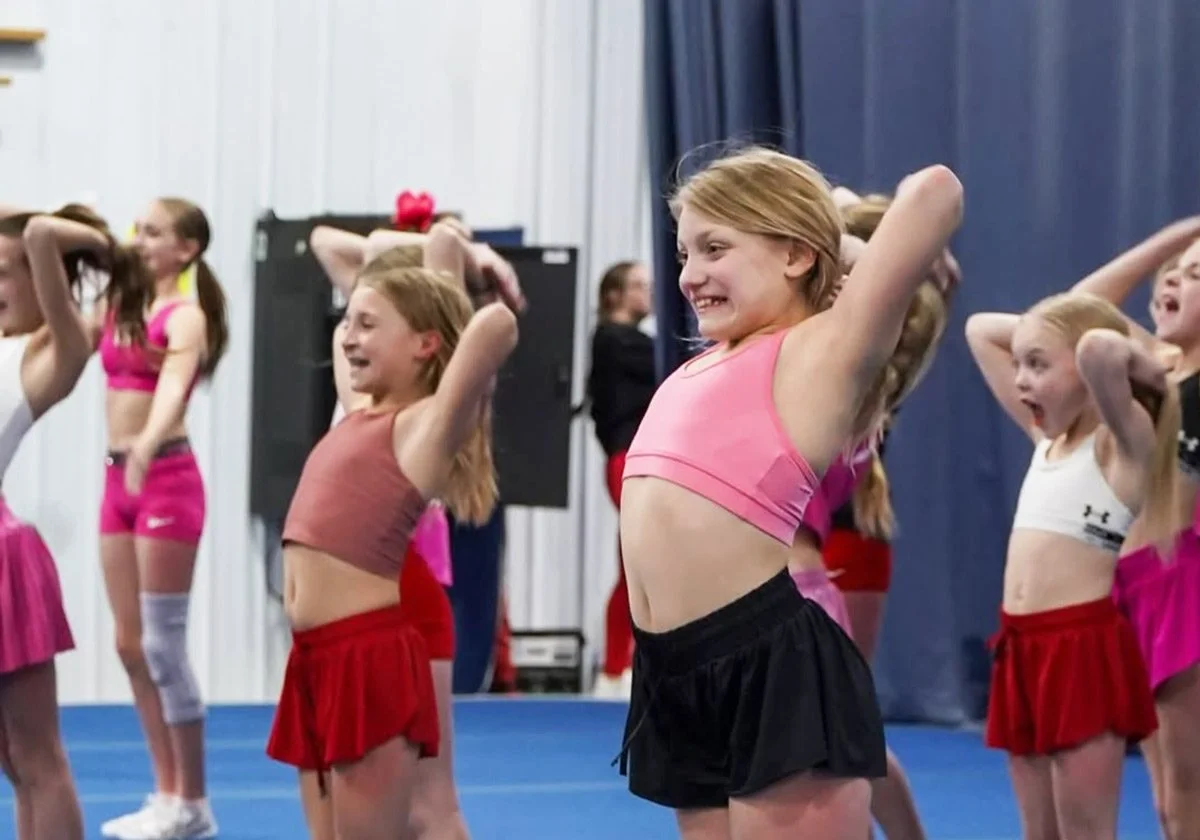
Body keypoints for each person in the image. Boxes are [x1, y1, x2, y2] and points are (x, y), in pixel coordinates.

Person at [615, 146, 963, 839]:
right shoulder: (706, 362)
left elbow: (936, 190)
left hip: (770, 663)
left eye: (715, 248)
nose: (689, 275)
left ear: (797, 255)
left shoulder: (822, 353)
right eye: (684, 253)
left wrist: (833, 226)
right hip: (675, 668)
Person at [265, 248, 521, 838]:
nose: (348, 336)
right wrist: (379, 298)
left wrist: (475, 263)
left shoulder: (424, 429)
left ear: (425, 344)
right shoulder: (360, 411)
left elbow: (496, 325)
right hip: (313, 654)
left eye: (367, 325)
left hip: (367, 656)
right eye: (347, 321)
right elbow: (339, 295)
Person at [965, 291, 1177, 839]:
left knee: (1086, 832)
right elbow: (978, 328)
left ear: (1083, 375)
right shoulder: (1046, 439)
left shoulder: (1122, 444)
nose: (1020, 381)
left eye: (1038, 365)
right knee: (1039, 833)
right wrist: (1042, 335)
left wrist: (1151, 367)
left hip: (1079, 649)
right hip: (1020, 645)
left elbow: (1101, 348)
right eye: (1019, 364)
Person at [1060, 216, 1200, 838]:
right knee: (1166, 798)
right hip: (1131, 584)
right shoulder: (1158, 369)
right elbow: (1079, 308)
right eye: (1172, 273)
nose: (1172, 280)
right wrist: (1178, 237)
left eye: (1195, 276)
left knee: (1190, 787)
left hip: (1184, 585)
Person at [97, 198, 227, 840]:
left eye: (154, 233)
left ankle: (194, 802)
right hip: (116, 482)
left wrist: (147, 442)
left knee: (161, 644)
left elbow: (175, 385)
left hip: (166, 481)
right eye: (137, 230)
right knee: (128, 644)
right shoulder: (120, 308)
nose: (140, 240)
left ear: (187, 249)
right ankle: (167, 792)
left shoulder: (187, 316)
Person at [0, 203, 126, 840]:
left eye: (4, 273)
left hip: (2, 559)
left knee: (36, 759)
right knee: (13, 763)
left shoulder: (51, 353)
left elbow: (43, 232)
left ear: (42, 276)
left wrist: (81, 241)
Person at [581, 260, 655, 697]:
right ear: (614, 296)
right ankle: (615, 669)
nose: (648, 293)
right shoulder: (615, 340)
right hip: (631, 459)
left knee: (636, 566)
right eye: (640, 286)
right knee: (639, 566)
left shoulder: (628, 343)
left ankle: (618, 667)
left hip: (637, 458)